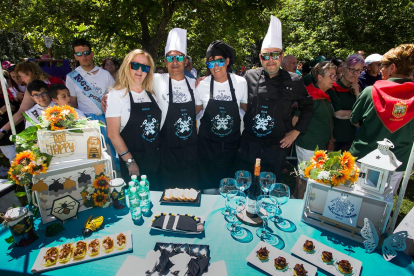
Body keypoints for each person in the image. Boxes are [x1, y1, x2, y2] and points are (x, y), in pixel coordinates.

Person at [239, 16, 313, 182]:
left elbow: (308, 106)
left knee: (269, 185)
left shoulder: (294, 80)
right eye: (266, 56)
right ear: (260, 57)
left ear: (282, 55)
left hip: (277, 146)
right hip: (250, 145)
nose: (270, 60)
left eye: (275, 55)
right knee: (246, 184)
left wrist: (296, 132)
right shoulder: (249, 76)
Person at [350, 44, 414, 194]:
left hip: (364, 156)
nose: (380, 70)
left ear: (392, 67)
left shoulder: (369, 91)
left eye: (382, 66)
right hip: (398, 161)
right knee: (383, 202)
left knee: (354, 199)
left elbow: (354, 120)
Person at [195, 40, 248, 192]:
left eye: (219, 61)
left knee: (230, 192)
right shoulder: (203, 85)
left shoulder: (240, 83)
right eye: (211, 63)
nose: (216, 66)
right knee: (209, 192)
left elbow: (248, 110)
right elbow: (195, 111)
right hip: (207, 150)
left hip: (232, 149)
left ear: (227, 61)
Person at [106, 49, 161, 188]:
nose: (140, 70)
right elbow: (113, 134)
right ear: (127, 66)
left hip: (156, 161)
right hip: (134, 164)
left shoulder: (152, 95)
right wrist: (130, 161)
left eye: (145, 67)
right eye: (135, 65)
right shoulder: (116, 96)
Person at [152, 28, 198, 189]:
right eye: (170, 58)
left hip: (191, 152)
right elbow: (129, 81)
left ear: (185, 61)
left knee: (190, 193)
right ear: (165, 62)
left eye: (179, 57)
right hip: (167, 150)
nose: (174, 62)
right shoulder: (156, 80)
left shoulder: (196, 84)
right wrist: (110, 94)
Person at [66, 38, 118, 169]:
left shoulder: (105, 74)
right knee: (94, 158)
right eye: (79, 54)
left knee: (114, 153)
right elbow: (73, 103)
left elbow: (116, 96)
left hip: (108, 119)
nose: (84, 57)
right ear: (75, 56)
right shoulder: (72, 77)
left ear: (92, 53)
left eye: (86, 53)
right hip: (87, 123)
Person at [293, 61, 336, 198]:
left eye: (335, 76)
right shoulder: (311, 96)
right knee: (305, 181)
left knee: (308, 179)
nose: (334, 79)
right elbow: (295, 121)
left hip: (318, 147)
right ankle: (298, 206)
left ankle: (295, 199)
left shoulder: (323, 95)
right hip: (308, 146)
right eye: (331, 75)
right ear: (320, 77)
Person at [0, 61, 64, 139]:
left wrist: (3, 129)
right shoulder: (58, 80)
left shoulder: (32, 89)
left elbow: (21, 112)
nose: (22, 80)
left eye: (21, 76)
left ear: (29, 73)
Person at [329, 54, 364, 151]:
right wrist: (357, 116)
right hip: (335, 138)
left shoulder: (358, 88)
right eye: (352, 69)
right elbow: (337, 113)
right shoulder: (333, 87)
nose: (355, 73)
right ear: (343, 69)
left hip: (352, 139)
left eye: (358, 70)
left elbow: (363, 112)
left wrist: (357, 93)